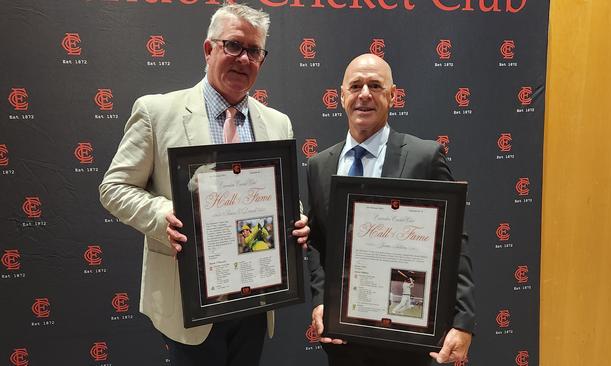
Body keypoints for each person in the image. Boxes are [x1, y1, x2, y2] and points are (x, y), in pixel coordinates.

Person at [99, 4, 309, 366]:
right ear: (208, 49)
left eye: (254, 51)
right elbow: (114, 187)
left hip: (256, 297)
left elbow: (278, 196)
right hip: (189, 302)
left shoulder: (277, 123)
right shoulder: (157, 112)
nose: (243, 59)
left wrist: (296, 218)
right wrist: (166, 213)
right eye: (233, 46)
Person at [305, 53, 475, 365]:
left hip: (405, 338)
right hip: (344, 340)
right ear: (341, 95)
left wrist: (463, 321)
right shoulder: (319, 165)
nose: (364, 94)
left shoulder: (424, 156)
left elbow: (454, 243)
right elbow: (316, 242)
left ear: (393, 95)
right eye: (355, 86)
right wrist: (320, 302)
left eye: (375, 85)